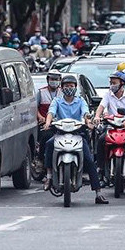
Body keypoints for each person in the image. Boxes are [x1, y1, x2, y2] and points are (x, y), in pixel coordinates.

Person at [43, 75, 108, 204]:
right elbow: (51, 112)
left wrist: (88, 121)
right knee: (49, 144)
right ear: (62, 88)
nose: (69, 88)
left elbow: (85, 113)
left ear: (75, 88)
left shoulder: (81, 101)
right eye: (66, 86)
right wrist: (47, 122)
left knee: (89, 159)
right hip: (60, 133)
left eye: (71, 86)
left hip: (78, 134)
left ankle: (98, 192)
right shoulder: (57, 101)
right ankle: (49, 176)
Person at [93, 71, 125, 180]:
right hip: (111, 126)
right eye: (111, 82)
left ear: (122, 83)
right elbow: (101, 107)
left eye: (114, 83)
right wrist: (97, 116)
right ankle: (100, 169)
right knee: (101, 140)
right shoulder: (107, 95)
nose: (112, 85)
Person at [36, 71, 62, 165]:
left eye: (56, 79)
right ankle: (40, 159)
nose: (54, 81)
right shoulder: (41, 92)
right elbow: (34, 107)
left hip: (60, 124)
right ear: (48, 80)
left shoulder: (63, 92)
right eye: (52, 79)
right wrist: (40, 117)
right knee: (46, 137)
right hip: (45, 124)